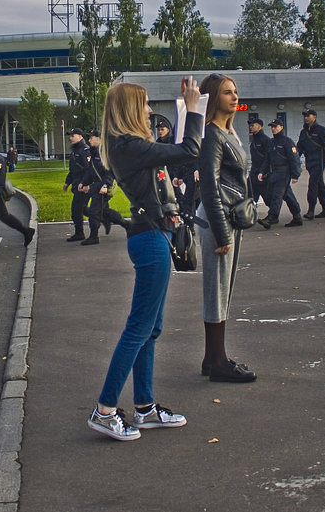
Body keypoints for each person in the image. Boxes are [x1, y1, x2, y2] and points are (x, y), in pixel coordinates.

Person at [87, 77, 203, 442]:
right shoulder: (129, 145)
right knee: (139, 328)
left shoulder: (131, 146)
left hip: (153, 234)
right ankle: (105, 410)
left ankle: (145, 408)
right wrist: (192, 107)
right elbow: (190, 151)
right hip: (150, 240)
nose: (151, 110)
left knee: (150, 329)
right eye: (146, 104)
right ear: (131, 110)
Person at [197, 73, 258, 384]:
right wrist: (221, 233)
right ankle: (219, 362)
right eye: (226, 93)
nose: (234, 97)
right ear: (212, 98)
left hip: (231, 218)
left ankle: (212, 357)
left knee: (224, 288)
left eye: (235, 92)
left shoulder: (229, 133)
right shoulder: (211, 135)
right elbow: (208, 185)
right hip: (217, 219)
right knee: (217, 290)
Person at [77, 129, 131, 245]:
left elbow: (110, 171)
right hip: (97, 186)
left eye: (91, 137)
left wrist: (106, 185)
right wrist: (84, 182)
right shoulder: (95, 152)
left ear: (99, 139)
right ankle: (126, 224)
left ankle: (94, 237)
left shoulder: (105, 153)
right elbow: (91, 171)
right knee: (104, 211)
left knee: (94, 211)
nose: (89, 140)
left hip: (103, 187)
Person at [258, 119, 302, 227]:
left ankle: (272, 217)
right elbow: (267, 159)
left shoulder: (287, 142)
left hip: (284, 172)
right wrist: (262, 172)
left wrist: (295, 174)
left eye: (275, 126)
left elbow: (294, 159)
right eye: (272, 127)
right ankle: (297, 216)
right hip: (275, 172)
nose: (273, 129)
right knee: (287, 195)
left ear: (281, 127)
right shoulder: (271, 142)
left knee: (277, 195)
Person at [297, 109, 325, 219]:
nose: (306, 117)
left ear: (314, 117)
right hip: (310, 161)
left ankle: (311, 210)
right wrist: (295, 159)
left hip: (319, 160)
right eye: (305, 115)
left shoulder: (321, 130)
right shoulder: (304, 132)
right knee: (319, 185)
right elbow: (299, 147)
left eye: (308, 115)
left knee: (313, 184)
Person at [63, 128, 91, 242]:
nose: (70, 138)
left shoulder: (84, 150)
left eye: (72, 136)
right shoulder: (76, 150)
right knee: (83, 209)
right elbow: (73, 170)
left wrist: (86, 184)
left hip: (83, 185)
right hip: (77, 184)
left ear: (80, 136)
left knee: (76, 210)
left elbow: (88, 170)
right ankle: (105, 217)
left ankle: (79, 233)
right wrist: (67, 183)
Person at [247, 115, 270, 207]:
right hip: (254, 172)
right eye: (250, 125)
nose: (250, 127)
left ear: (260, 126)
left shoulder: (266, 140)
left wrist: (264, 171)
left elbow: (268, 158)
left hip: (263, 174)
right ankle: (249, 214)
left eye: (253, 125)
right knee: (249, 195)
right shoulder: (254, 141)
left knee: (268, 197)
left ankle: (273, 215)